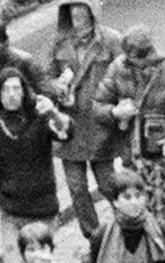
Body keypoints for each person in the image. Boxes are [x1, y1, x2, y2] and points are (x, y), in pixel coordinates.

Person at [0, 69, 70, 263]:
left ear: (24, 91)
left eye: (16, 88)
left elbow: (66, 133)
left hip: (42, 210)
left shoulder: (39, 117)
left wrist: (53, 113)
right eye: (6, 89)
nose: (11, 94)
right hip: (12, 212)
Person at [94, 26, 165, 226]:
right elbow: (98, 106)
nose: (135, 65)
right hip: (131, 153)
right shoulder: (118, 67)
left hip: (164, 157)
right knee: (134, 211)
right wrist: (114, 112)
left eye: (139, 60)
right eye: (131, 60)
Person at [48, 0, 122, 241]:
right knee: (77, 189)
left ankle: (128, 228)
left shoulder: (111, 40)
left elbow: (124, 75)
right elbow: (44, 78)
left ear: (93, 11)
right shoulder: (59, 43)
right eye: (72, 9)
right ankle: (94, 239)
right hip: (69, 127)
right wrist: (56, 86)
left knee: (108, 185)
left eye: (82, 8)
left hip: (100, 125)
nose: (77, 14)